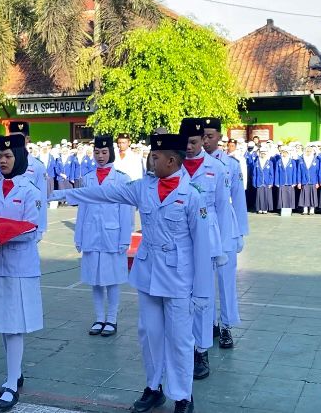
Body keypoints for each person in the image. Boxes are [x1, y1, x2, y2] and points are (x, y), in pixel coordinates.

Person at [50, 133, 212, 413]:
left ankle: (183, 396)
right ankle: (153, 388)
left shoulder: (193, 195)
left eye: (156, 156)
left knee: (180, 339)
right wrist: (65, 193)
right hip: (148, 273)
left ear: (172, 160)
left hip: (178, 279)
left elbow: (202, 246)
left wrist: (202, 291)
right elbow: (103, 193)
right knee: (149, 334)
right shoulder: (143, 188)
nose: (151, 160)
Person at [0, 134, 44, 411]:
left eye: (8, 157)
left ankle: (12, 384)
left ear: (19, 159)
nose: (2, 161)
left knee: (14, 326)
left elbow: (31, 230)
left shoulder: (30, 192)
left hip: (19, 266)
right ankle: (14, 374)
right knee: (4, 322)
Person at [178, 118, 235, 380]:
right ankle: (183, 348)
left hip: (207, 240)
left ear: (203, 140)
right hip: (178, 239)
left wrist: (224, 247)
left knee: (203, 298)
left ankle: (201, 351)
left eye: (193, 142)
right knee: (179, 298)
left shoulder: (217, 168)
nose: (188, 147)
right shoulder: (172, 164)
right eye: (185, 142)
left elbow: (223, 209)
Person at [74, 136, 132, 338]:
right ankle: (99, 317)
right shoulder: (88, 178)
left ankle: (112, 319)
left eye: (104, 152)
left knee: (112, 280)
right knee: (95, 280)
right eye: (97, 152)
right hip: (91, 234)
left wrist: (125, 238)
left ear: (111, 152)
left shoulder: (122, 179)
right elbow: (82, 209)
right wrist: (78, 236)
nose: (100, 156)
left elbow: (126, 211)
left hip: (112, 236)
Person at [200, 118, 247, 352]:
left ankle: (227, 325)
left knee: (226, 281)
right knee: (204, 281)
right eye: (203, 136)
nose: (206, 141)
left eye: (210, 136)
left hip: (226, 226)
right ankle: (209, 324)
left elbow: (238, 199)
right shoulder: (194, 165)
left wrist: (240, 234)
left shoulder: (231, 164)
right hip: (204, 228)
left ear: (220, 137)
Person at [296, 146, 320, 215]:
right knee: (305, 196)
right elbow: (299, 172)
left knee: (313, 196)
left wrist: (317, 182)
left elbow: (318, 172)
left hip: (313, 181)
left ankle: (312, 210)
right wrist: (299, 182)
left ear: (312, 152)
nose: (308, 152)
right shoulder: (301, 160)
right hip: (304, 181)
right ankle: (305, 210)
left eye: (310, 151)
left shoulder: (316, 160)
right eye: (307, 151)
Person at [251, 149, 274, 214]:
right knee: (259, 196)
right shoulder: (257, 162)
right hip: (259, 181)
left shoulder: (269, 162)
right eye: (262, 153)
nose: (263, 155)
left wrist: (271, 182)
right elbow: (254, 173)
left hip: (267, 182)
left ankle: (265, 209)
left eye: (264, 153)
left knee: (266, 195)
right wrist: (254, 182)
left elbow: (271, 174)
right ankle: (259, 208)